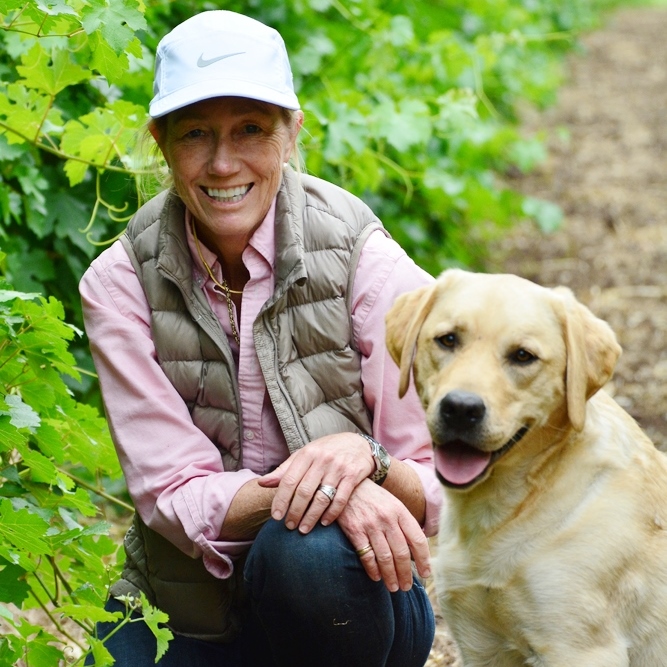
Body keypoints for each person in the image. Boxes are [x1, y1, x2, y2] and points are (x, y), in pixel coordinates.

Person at [80, 9, 441, 667]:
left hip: (344, 590)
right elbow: (172, 493)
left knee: (302, 550)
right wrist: (335, 481)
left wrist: (374, 461)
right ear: (159, 140)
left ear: (290, 132)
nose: (222, 164)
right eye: (195, 133)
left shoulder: (365, 259)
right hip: (184, 605)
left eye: (250, 129)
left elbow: (441, 466)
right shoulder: (120, 283)